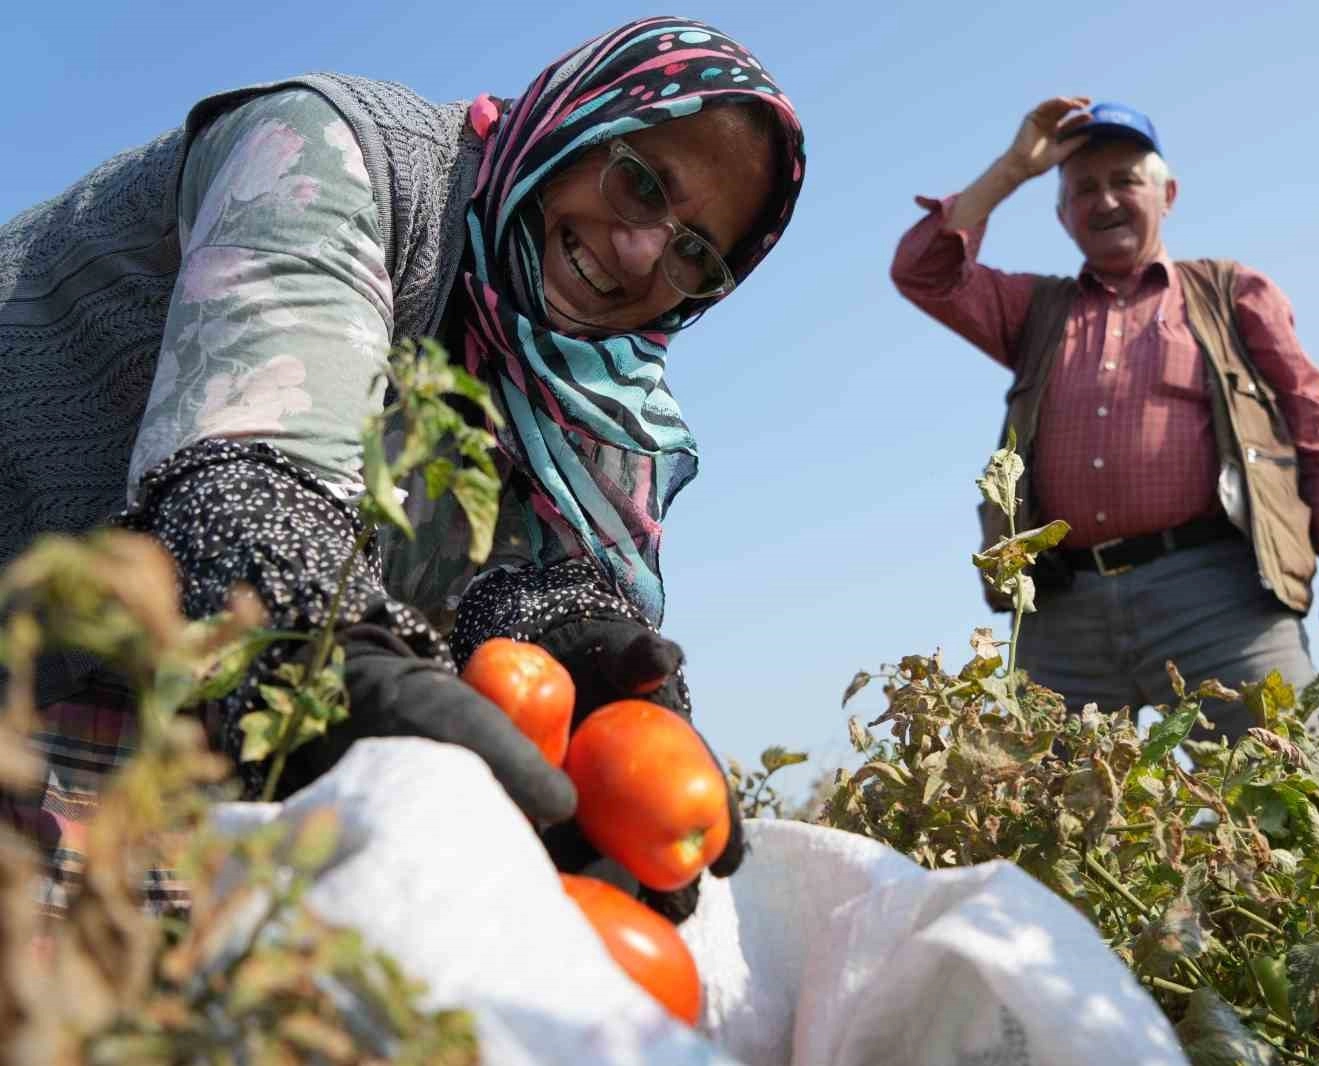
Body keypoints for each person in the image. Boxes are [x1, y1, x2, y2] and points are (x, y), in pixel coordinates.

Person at [0, 15, 806, 923]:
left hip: (149, 691)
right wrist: (329, 652)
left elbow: (500, 575)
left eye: (697, 253)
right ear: (574, 124)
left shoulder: (569, 386)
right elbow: (239, 481)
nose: (642, 252)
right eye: (639, 182)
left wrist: (573, 649)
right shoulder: (331, 153)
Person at [890, 98, 1319, 739]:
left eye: (1125, 180)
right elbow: (923, 271)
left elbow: (1315, 422)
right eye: (1084, 189)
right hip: (1062, 607)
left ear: (1167, 193)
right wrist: (1014, 169)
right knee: (1049, 818)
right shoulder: (1036, 311)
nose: (1104, 202)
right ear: (1062, 214)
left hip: (1220, 598)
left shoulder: (1231, 294)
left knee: (1289, 788)